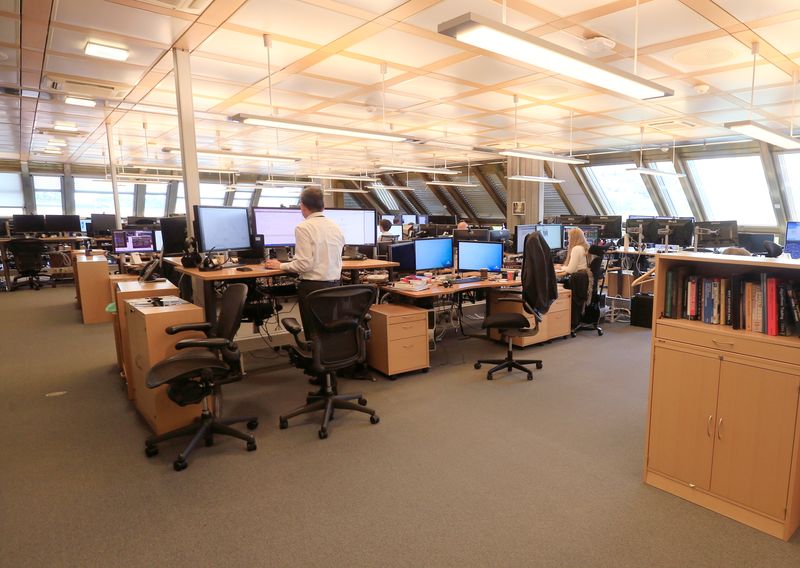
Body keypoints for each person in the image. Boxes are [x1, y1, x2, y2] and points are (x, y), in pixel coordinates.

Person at [266, 187, 344, 338]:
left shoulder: (304, 227)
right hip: (335, 286)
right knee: (331, 329)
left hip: (313, 288)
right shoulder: (336, 227)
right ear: (323, 206)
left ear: (302, 206)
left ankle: (315, 357)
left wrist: (280, 265)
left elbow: (304, 265)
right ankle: (331, 357)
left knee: (313, 331)